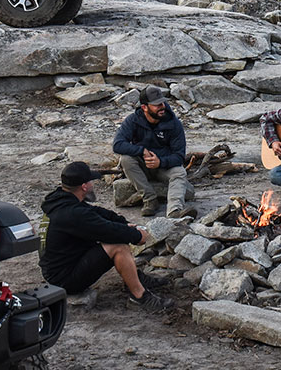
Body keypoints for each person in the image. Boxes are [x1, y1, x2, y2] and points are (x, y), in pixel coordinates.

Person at [39, 161, 174, 311]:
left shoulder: (63, 201)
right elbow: (107, 230)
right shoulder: (72, 213)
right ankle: (139, 296)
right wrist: (136, 235)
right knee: (118, 245)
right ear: (84, 186)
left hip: (64, 265)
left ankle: (136, 278)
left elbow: (97, 214)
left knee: (117, 235)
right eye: (90, 181)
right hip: (64, 279)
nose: (93, 184)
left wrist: (123, 223)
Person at [112, 87, 191, 217]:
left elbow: (179, 156)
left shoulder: (174, 123)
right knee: (125, 159)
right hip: (142, 166)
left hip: (164, 167)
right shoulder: (133, 120)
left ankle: (174, 211)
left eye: (163, 103)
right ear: (144, 107)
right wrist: (141, 150)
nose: (162, 107)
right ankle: (150, 200)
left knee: (180, 171)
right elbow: (117, 145)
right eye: (157, 105)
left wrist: (160, 162)